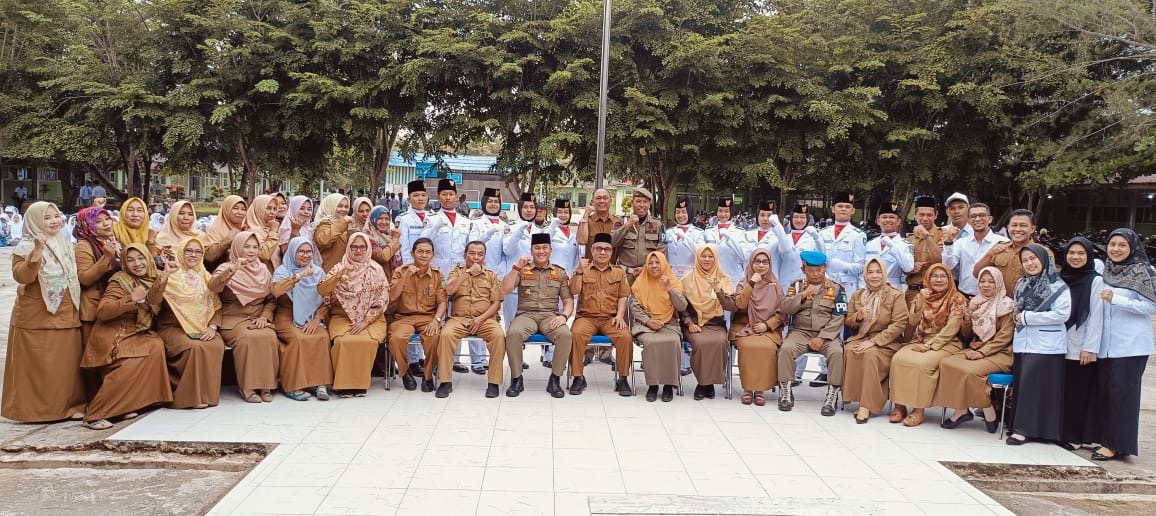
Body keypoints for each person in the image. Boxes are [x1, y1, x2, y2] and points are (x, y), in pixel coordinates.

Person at [1, 202, 87, 423]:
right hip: (37, 316)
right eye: (47, 217)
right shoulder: (24, 247)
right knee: (41, 367)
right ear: (35, 222)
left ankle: (69, 407)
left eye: (56, 215)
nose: (55, 221)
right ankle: (36, 412)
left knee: (65, 365)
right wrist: (37, 251)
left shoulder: (66, 244)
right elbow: (22, 277)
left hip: (67, 312)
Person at [81, 243, 175, 429]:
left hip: (138, 329)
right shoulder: (119, 280)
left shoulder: (153, 276)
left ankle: (129, 405)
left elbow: (154, 301)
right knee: (130, 362)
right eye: (130, 260)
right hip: (115, 331)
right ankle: (95, 415)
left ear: (148, 259)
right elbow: (103, 312)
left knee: (155, 346)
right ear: (124, 262)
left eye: (141, 258)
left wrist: (163, 277)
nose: (137, 264)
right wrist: (130, 298)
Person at [1088, 229, 1156, 460]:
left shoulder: (1144, 271)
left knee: (1122, 396)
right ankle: (1107, 439)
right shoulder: (1104, 269)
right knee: (1105, 393)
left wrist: (1118, 300)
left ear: (1132, 248)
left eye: (1122, 245)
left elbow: (1152, 307)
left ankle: (1114, 445)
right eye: (1112, 244)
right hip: (1105, 343)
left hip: (1131, 345)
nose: (1116, 249)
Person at [1006, 244, 1071, 446]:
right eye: (1025, 260)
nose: (1029, 263)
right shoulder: (1022, 283)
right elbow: (1016, 309)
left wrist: (1028, 317)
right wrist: (1019, 318)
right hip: (1023, 341)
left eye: (1033, 258)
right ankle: (1022, 427)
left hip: (1047, 345)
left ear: (1043, 259)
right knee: (1025, 386)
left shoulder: (1057, 285)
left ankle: (1028, 431)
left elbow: (1062, 314)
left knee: (1041, 388)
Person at [935, 267, 1014, 432]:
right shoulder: (975, 302)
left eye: (991, 281)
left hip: (1000, 353)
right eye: (982, 281)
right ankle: (963, 410)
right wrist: (968, 316)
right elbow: (966, 334)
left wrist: (982, 352)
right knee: (946, 363)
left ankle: (987, 409)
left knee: (970, 372)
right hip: (976, 348)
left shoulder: (1006, 305)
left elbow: (1005, 337)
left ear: (999, 283)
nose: (986, 285)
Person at [889, 263, 967, 426]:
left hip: (947, 342)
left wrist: (930, 345)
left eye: (943, 276)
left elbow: (952, 328)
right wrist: (920, 301)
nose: (938, 280)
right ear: (928, 278)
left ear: (950, 278)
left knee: (921, 364)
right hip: (921, 339)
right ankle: (900, 405)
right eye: (934, 276)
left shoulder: (957, 298)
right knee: (898, 359)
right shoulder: (922, 295)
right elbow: (912, 321)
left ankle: (918, 409)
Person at [501, 233, 574, 398]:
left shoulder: (559, 272)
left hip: (550, 316)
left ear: (550, 250)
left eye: (544, 248)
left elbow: (568, 300)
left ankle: (555, 379)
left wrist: (564, 316)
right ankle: (516, 378)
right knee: (513, 333)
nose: (541, 251)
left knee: (565, 334)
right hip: (526, 315)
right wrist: (516, 267)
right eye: (537, 248)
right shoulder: (522, 269)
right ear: (531, 250)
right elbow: (504, 290)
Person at [156, 237, 226, 409]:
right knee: (194, 347)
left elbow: (217, 307)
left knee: (215, 344)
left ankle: (206, 395)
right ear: (180, 252)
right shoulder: (170, 275)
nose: (193, 255)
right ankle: (186, 398)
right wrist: (163, 277)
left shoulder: (204, 276)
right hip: (172, 327)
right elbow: (154, 299)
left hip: (202, 326)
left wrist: (212, 326)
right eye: (188, 250)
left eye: (198, 252)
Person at [318, 233, 390, 397]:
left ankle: (359, 384)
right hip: (341, 316)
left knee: (367, 341)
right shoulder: (339, 267)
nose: (358, 250)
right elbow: (323, 291)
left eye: (362, 247)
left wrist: (366, 321)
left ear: (368, 248)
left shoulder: (375, 269)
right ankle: (343, 385)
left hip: (372, 318)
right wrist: (337, 276)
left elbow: (383, 298)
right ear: (348, 248)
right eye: (354, 246)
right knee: (343, 341)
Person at [211, 231, 279, 403]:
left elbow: (271, 299)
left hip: (257, 317)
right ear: (237, 248)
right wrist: (234, 269)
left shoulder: (263, 269)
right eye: (246, 246)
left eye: (255, 247)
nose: (251, 251)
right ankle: (246, 386)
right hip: (232, 318)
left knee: (269, 336)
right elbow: (213, 287)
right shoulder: (225, 269)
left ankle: (266, 385)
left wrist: (265, 316)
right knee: (248, 338)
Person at [777, 251, 846, 416]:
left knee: (837, 353)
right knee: (786, 349)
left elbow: (839, 316)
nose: (816, 274)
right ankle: (786, 390)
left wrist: (822, 337)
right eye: (811, 270)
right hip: (800, 332)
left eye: (819, 270)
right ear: (803, 269)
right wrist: (803, 295)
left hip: (827, 335)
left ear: (825, 268)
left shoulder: (836, 288)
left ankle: (832, 395)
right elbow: (786, 308)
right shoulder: (796, 286)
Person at [842, 258, 910, 423]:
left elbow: (899, 324)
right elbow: (848, 321)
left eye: (878, 272)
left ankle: (866, 405)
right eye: (870, 272)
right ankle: (857, 398)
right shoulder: (858, 295)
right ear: (865, 275)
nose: (874, 276)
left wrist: (874, 342)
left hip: (886, 341)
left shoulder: (895, 295)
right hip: (861, 336)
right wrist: (858, 316)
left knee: (870, 355)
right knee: (850, 351)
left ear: (884, 274)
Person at [438, 241, 506, 398]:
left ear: (484, 257)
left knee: (498, 336)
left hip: (485, 319)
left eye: (480, 254)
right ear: (465, 255)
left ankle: (494, 382)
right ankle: (445, 382)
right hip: (458, 319)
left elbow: (496, 303)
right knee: (446, 335)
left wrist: (481, 319)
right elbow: (449, 290)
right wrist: (467, 273)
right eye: (472, 253)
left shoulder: (491, 275)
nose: (476, 257)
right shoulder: (456, 272)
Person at [569, 233, 633, 396]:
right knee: (576, 334)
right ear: (592, 250)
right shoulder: (583, 269)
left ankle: (623, 378)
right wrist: (578, 271)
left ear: (611, 252)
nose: (603, 252)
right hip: (586, 317)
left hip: (610, 318)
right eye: (599, 249)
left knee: (625, 337)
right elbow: (574, 290)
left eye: (606, 249)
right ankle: (578, 376)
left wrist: (620, 316)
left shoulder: (619, 273)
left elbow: (623, 296)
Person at [271, 237, 334, 401]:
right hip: (287, 315)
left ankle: (319, 383)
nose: (305, 255)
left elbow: (326, 300)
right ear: (293, 252)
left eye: (308, 252)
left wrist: (317, 319)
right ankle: (293, 385)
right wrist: (298, 276)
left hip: (312, 315)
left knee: (321, 336)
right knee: (298, 339)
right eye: (301, 251)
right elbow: (276, 291)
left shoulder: (318, 272)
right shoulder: (283, 271)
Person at [1057, 237, 1104, 447]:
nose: (1075, 257)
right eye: (1071, 253)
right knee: (1063, 391)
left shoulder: (1095, 280)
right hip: (1059, 343)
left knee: (1078, 393)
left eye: (1081, 253)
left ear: (1089, 256)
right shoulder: (1060, 277)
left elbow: (1096, 316)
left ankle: (1075, 437)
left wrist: (1089, 348)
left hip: (1081, 346)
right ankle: (1059, 431)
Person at [387, 238, 448, 392]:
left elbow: (442, 302)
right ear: (412, 253)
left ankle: (427, 376)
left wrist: (436, 320)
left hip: (428, 318)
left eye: (428, 252)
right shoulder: (400, 272)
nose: (424, 255)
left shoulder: (438, 275)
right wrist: (406, 276)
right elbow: (392, 297)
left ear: (433, 255)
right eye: (420, 251)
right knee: (396, 339)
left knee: (434, 338)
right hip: (403, 318)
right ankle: (404, 371)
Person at [630, 252, 687, 402]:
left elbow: (681, 306)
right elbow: (635, 307)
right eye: (651, 263)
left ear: (664, 264)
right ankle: (653, 385)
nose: (654, 266)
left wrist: (669, 288)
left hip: (670, 324)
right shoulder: (640, 282)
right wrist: (648, 321)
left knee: (673, 342)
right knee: (652, 343)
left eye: (657, 262)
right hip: (645, 325)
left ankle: (669, 385)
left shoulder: (673, 281)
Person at [731, 249, 784, 407]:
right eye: (757, 261)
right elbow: (740, 304)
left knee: (767, 347)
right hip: (745, 326)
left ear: (769, 264)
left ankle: (760, 390)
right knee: (747, 345)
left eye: (764, 262)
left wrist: (767, 325)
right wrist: (751, 283)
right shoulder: (744, 282)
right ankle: (748, 389)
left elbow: (782, 313)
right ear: (751, 263)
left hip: (768, 330)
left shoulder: (775, 284)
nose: (761, 265)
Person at [680, 244, 732, 400]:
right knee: (701, 343)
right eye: (703, 256)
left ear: (715, 259)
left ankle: (706, 384)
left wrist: (717, 288)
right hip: (693, 323)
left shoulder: (724, 279)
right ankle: (704, 384)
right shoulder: (687, 279)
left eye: (711, 256)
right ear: (697, 258)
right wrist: (689, 323)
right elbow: (681, 308)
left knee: (721, 342)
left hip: (716, 324)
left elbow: (730, 305)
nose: (707, 259)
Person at [73, 207, 122, 346]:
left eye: (107, 219)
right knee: (93, 352)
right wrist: (107, 257)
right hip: (94, 307)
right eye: (99, 221)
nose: (107, 224)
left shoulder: (114, 240)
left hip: (113, 303)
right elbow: (85, 279)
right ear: (87, 225)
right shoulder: (83, 246)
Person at [976, 209, 1052, 294]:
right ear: (1008, 228)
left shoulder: (1044, 252)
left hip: (1028, 306)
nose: (1018, 229)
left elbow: (1051, 283)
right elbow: (976, 273)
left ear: (1032, 228)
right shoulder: (999, 248)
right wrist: (989, 254)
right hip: (1001, 304)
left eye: (1023, 225)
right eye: (1014, 225)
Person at [941, 203, 1007, 297]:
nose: (977, 219)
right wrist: (948, 243)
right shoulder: (961, 243)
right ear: (968, 220)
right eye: (973, 216)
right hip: (964, 297)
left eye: (982, 215)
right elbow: (948, 265)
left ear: (990, 219)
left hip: (992, 300)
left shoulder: (1002, 242)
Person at [612, 187, 667, 283]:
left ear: (650, 204)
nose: (641, 205)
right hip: (626, 276)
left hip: (648, 274)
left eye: (645, 202)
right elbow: (612, 242)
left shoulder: (657, 224)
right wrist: (628, 225)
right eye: (638, 201)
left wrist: (646, 267)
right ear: (632, 202)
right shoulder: (621, 221)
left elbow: (661, 249)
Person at [818, 193, 867, 297]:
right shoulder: (822, 233)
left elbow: (861, 266)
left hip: (847, 287)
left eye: (847, 207)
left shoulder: (858, 235)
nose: (843, 209)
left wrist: (844, 266)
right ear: (833, 209)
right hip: (825, 283)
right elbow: (818, 260)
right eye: (840, 206)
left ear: (853, 210)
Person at [906, 195, 949, 305]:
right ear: (915, 215)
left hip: (935, 292)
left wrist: (926, 236)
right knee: (912, 321)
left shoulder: (944, 234)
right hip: (913, 292)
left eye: (929, 215)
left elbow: (939, 260)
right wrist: (910, 268)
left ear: (936, 215)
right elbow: (903, 268)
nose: (925, 218)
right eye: (921, 215)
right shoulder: (909, 238)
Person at [423, 179, 470, 276]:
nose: (448, 198)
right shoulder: (431, 219)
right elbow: (423, 241)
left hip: (460, 270)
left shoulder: (465, 221)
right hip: (438, 269)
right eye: (444, 194)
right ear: (438, 197)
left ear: (456, 197)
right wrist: (435, 228)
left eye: (451, 194)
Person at [865, 202, 914, 289]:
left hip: (893, 288)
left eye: (892, 217)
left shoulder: (905, 245)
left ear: (898, 221)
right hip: (870, 288)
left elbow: (908, 268)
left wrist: (893, 246)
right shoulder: (869, 244)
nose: (888, 220)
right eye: (884, 217)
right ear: (878, 221)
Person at [703, 196, 746, 284]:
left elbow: (743, 256)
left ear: (731, 212)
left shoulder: (740, 232)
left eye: (726, 211)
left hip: (733, 278)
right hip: (712, 278)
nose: (723, 214)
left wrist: (729, 237)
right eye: (720, 211)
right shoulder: (708, 231)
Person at [203, 195, 247, 269]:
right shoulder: (216, 229)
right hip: (220, 272)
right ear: (226, 209)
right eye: (235, 208)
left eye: (243, 209)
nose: (240, 212)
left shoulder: (246, 228)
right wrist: (227, 240)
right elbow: (208, 257)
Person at [577, 188, 620, 263]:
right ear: (592, 202)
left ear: (611, 201)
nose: (602, 201)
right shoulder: (586, 221)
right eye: (598, 198)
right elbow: (582, 241)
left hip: (612, 270)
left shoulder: (617, 222)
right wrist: (586, 216)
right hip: (591, 269)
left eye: (605, 198)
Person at [665, 197, 704, 278]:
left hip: (690, 275)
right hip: (671, 275)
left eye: (684, 212)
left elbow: (700, 253)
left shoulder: (698, 233)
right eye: (677, 212)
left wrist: (684, 237)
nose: (680, 215)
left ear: (689, 213)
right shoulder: (668, 232)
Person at [312, 193, 352, 272]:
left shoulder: (343, 223)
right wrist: (343, 222)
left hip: (342, 272)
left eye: (346, 207)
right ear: (331, 206)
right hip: (329, 274)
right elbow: (323, 240)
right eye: (339, 206)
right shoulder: (324, 223)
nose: (343, 209)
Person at [241, 195, 281, 270]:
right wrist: (273, 232)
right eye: (268, 208)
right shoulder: (252, 231)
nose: (272, 212)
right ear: (258, 209)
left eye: (275, 209)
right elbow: (264, 255)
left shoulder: (271, 226)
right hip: (262, 276)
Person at [398, 180, 432, 265]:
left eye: (423, 195)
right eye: (416, 195)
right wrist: (410, 268)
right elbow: (404, 249)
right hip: (413, 267)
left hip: (432, 267)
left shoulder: (433, 217)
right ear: (409, 199)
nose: (420, 198)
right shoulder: (403, 219)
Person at [365, 206, 402, 276]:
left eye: (387, 219)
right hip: (378, 280)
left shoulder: (389, 236)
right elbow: (382, 257)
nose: (384, 222)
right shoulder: (368, 238)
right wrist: (394, 240)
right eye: (380, 218)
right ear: (373, 219)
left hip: (394, 280)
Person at [548, 199, 580, 274]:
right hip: (551, 277)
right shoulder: (549, 232)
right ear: (555, 213)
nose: (563, 215)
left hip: (569, 278)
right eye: (559, 212)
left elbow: (575, 260)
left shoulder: (574, 235)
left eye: (566, 212)